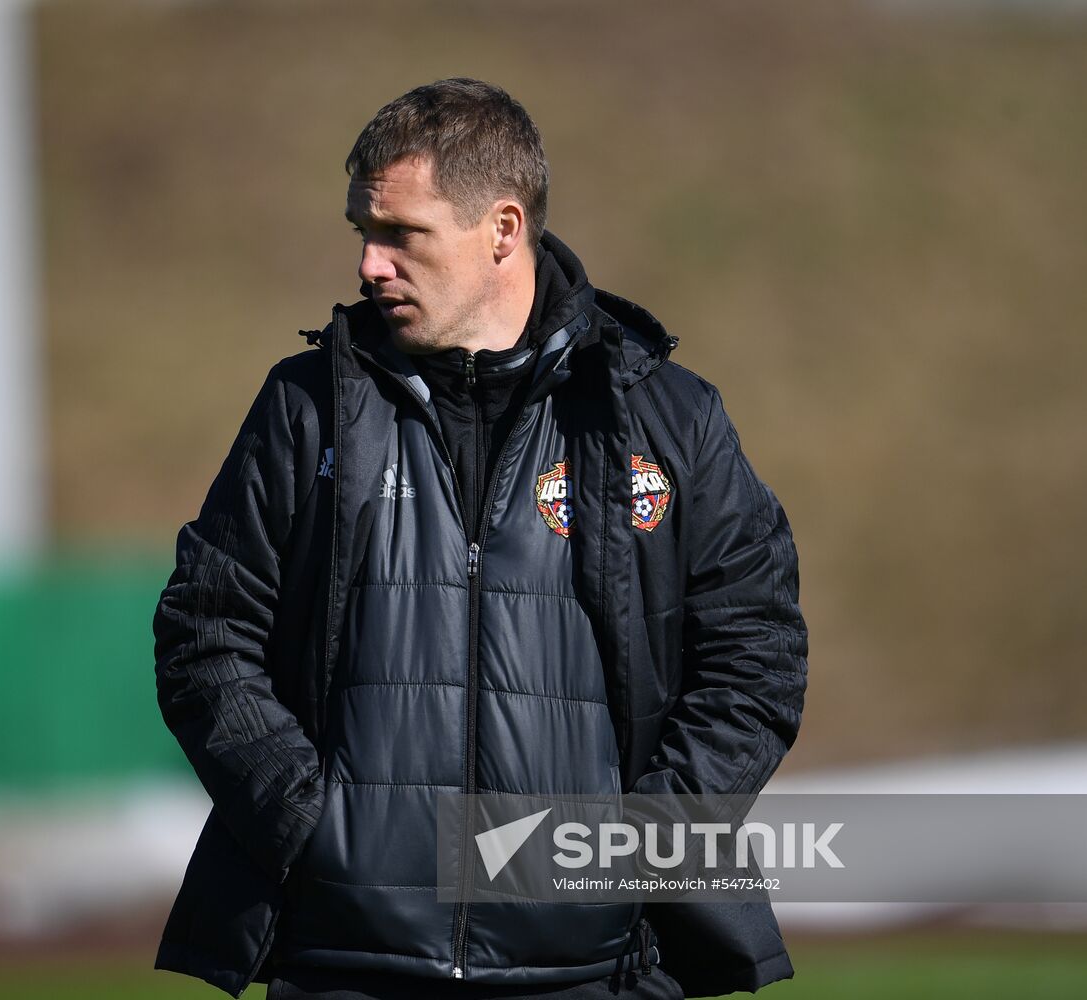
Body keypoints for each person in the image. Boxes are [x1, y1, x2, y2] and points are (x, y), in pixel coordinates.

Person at [152, 78, 807, 1000]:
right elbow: (203, 636)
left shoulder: (669, 417)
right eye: (362, 234)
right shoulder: (305, 412)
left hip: (597, 971)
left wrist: (637, 849)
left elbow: (756, 658)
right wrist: (313, 824)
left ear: (502, 229)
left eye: (401, 235)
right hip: (344, 965)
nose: (369, 266)